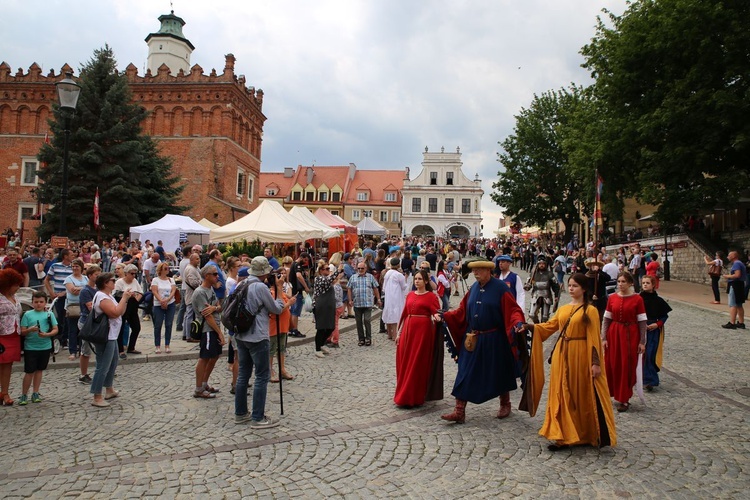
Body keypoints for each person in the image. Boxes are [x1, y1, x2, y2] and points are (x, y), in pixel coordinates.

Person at [522, 273, 617, 451]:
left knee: (579, 393)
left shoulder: (591, 311)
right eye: (570, 285)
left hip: (581, 354)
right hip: (561, 354)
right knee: (561, 392)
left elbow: (594, 338)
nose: (571, 289)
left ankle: (586, 433)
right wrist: (531, 327)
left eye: (575, 286)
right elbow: (550, 326)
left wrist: (595, 363)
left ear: (584, 289)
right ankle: (563, 434)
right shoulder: (563, 309)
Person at [441, 260, 526, 423]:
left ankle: (505, 403)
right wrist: (445, 315)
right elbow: (461, 311)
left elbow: (513, 310)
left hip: (495, 339)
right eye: (474, 270)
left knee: (500, 371)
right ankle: (459, 411)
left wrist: (518, 323)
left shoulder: (501, 288)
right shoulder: (473, 288)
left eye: (479, 269)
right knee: (464, 371)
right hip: (472, 339)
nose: (475, 272)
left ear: (489, 271)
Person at [235, 256, 291, 428]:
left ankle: (241, 413)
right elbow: (276, 308)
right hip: (257, 335)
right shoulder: (260, 287)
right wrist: (280, 290)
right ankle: (258, 417)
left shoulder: (242, 283)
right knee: (261, 376)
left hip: (241, 334)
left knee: (243, 374)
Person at [394, 269, 443, 408]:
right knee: (405, 363)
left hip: (422, 334)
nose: (417, 281)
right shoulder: (409, 295)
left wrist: (438, 317)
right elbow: (404, 315)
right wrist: (399, 333)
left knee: (417, 364)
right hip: (408, 332)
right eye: (415, 278)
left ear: (426, 281)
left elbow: (435, 312)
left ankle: (414, 396)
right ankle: (404, 393)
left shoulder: (431, 297)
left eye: (420, 279)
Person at [601, 271, 647, 412]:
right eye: (619, 282)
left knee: (627, 365)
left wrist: (642, 341)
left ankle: (624, 398)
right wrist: (603, 338)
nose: (620, 284)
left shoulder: (637, 299)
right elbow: (606, 319)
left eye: (623, 282)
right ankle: (611, 393)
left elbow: (642, 321)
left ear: (630, 283)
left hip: (630, 334)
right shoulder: (612, 298)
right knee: (613, 364)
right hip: (614, 334)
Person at [89, 272, 131, 408]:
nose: (115, 282)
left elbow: (121, 311)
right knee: (103, 366)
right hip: (105, 336)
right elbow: (115, 313)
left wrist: (125, 300)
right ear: (106, 283)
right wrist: (124, 298)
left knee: (113, 362)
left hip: (112, 334)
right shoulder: (102, 297)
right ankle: (96, 395)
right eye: (112, 280)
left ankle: (109, 389)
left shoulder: (108, 296)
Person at [192, 266, 226, 399]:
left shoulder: (210, 289)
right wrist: (220, 333)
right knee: (204, 358)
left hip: (214, 327)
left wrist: (215, 307)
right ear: (207, 276)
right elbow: (208, 315)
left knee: (215, 356)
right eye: (214, 274)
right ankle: (198, 388)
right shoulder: (200, 292)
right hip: (207, 329)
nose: (217, 276)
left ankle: (204, 383)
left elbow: (218, 306)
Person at [18, 291, 58, 405]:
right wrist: (30, 330)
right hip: (30, 347)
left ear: (45, 303)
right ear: (32, 303)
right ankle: (24, 394)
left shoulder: (49, 314)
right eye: (36, 302)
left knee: (39, 370)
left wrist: (47, 334)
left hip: (45, 346)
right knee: (29, 371)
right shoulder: (27, 315)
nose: (38, 304)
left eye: (41, 302)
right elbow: (22, 331)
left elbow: (55, 329)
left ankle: (35, 392)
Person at [640, 275, 672, 391]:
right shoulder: (638, 299)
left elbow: (664, 316)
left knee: (650, 354)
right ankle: (641, 378)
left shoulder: (659, 301)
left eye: (647, 283)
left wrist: (657, 324)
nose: (645, 285)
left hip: (653, 331)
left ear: (653, 285)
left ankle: (650, 380)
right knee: (641, 355)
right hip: (641, 329)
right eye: (643, 283)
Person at [0, 269, 24, 405]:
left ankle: (5, 392)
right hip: (2, 334)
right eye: (16, 284)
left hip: (14, 334)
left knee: (8, 365)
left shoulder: (15, 297)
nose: (18, 287)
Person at [312, 260, 343, 357]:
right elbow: (329, 280)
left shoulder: (327, 278)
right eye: (326, 269)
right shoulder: (319, 279)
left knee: (331, 327)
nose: (328, 270)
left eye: (329, 269)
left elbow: (332, 280)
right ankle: (317, 348)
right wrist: (338, 270)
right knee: (321, 328)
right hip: (320, 306)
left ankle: (321, 344)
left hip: (329, 306)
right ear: (321, 270)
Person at [348, 260, 382, 347]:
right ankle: (361, 339)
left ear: (366, 268)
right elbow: (349, 288)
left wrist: (378, 299)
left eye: (362, 268)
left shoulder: (370, 277)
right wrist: (350, 300)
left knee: (367, 320)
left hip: (367, 303)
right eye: (358, 268)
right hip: (357, 303)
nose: (360, 270)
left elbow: (375, 288)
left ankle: (368, 338)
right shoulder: (353, 277)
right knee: (358, 322)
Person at [269, 267, 294, 381]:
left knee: (282, 349)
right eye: (280, 275)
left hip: (283, 326)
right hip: (274, 326)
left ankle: (282, 369)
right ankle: (270, 371)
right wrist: (289, 303)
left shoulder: (280, 292)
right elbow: (276, 309)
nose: (283, 277)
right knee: (271, 350)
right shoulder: (271, 293)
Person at [77, 265, 100, 384]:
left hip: (96, 322)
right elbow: (91, 307)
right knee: (86, 349)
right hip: (86, 322)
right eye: (96, 274)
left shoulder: (98, 289)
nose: (98, 276)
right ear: (90, 276)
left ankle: (101, 370)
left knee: (99, 347)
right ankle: (83, 374)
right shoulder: (85, 291)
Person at [44, 248, 73, 348]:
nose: (73, 256)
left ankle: (65, 339)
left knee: (68, 317)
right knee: (61, 318)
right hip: (58, 297)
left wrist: (65, 292)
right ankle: (61, 339)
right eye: (71, 255)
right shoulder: (55, 266)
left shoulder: (73, 267)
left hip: (69, 296)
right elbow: (46, 280)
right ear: (65, 256)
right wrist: (51, 293)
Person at [114, 264, 143, 357]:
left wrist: (136, 298)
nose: (134, 276)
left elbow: (141, 292)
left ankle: (131, 347)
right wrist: (127, 295)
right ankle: (120, 350)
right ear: (126, 274)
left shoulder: (135, 281)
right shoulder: (119, 282)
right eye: (132, 273)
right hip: (123, 306)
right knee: (121, 328)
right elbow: (116, 294)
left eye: (135, 274)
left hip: (133, 306)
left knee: (136, 327)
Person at [151, 262, 177, 354]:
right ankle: (157, 345)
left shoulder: (171, 280)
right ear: (160, 270)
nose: (167, 270)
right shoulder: (155, 280)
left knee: (169, 324)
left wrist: (168, 299)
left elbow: (173, 290)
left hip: (170, 303)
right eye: (165, 268)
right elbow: (154, 291)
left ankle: (167, 345)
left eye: (168, 268)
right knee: (158, 325)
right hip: (158, 304)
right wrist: (161, 300)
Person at [63, 259, 87, 360]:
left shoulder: (85, 278)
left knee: (83, 330)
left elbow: (91, 288)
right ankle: (72, 351)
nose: (74, 268)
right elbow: (72, 291)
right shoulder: (68, 279)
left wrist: (79, 288)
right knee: (72, 330)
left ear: (81, 267)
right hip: (72, 306)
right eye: (73, 266)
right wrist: (83, 288)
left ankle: (83, 350)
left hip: (84, 307)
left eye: (76, 266)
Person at [382, 258, 408, 341]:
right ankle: (394, 335)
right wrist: (406, 277)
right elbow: (404, 286)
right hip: (396, 296)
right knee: (395, 315)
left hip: (388, 296)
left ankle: (389, 334)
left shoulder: (387, 273)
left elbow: (384, 286)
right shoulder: (398, 275)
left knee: (389, 313)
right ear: (398, 265)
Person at [287, 252, 311, 338]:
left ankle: (291, 329)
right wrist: (306, 287)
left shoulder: (293, 264)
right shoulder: (298, 265)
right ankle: (294, 330)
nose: (305, 262)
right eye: (305, 260)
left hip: (293, 291)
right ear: (301, 257)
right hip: (297, 291)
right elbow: (298, 275)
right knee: (295, 312)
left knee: (292, 311)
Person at [721, 251, 746, 329]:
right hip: (740, 284)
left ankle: (732, 323)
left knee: (733, 304)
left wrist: (727, 276)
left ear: (733, 256)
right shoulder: (740, 263)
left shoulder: (736, 264)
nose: (727, 256)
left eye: (729, 255)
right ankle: (741, 322)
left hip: (735, 284)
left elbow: (737, 275)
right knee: (739, 304)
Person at [529, 258, 558, 324]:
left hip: (546, 295)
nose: (541, 265)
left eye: (543, 264)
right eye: (540, 264)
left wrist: (556, 295)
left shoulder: (550, 274)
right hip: (535, 295)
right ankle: (537, 325)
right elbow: (528, 284)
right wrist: (527, 286)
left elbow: (555, 285)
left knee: (545, 317)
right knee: (532, 315)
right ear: (538, 265)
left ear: (545, 265)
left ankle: (542, 329)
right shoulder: (533, 274)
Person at [181, 252, 202, 339]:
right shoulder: (190, 269)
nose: (198, 260)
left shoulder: (196, 268)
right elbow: (193, 283)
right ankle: (189, 335)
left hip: (193, 295)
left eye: (198, 258)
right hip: (191, 295)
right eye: (197, 259)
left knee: (188, 314)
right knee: (189, 315)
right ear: (191, 260)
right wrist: (201, 282)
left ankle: (186, 334)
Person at [584, 257, 609, 322]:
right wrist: (591, 295)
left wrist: (599, 271)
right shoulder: (586, 276)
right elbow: (586, 288)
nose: (594, 266)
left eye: (596, 265)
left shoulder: (600, 274)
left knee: (599, 319)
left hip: (601, 300)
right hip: (590, 301)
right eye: (592, 265)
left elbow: (608, 278)